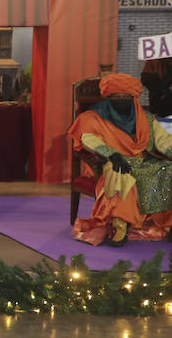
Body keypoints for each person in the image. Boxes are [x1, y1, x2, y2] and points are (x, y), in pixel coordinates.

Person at [68, 72, 172, 246]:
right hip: (112, 161)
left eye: (126, 96)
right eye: (117, 96)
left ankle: (168, 224)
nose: (122, 100)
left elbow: (162, 140)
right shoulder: (92, 117)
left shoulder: (144, 118)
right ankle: (120, 226)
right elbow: (87, 138)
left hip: (144, 161)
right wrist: (112, 154)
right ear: (108, 97)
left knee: (168, 170)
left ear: (133, 97)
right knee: (121, 175)